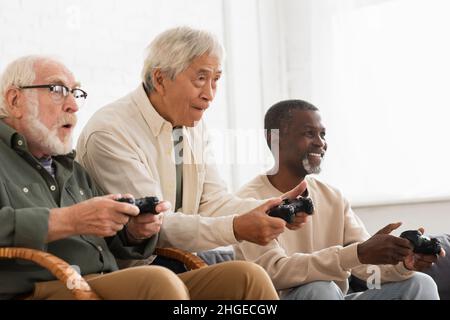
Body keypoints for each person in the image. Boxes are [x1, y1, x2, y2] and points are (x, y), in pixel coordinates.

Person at [0, 55, 280, 300]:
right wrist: (69, 220)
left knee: (246, 278)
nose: (73, 104)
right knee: (158, 282)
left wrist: (133, 231)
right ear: (15, 100)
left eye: (76, 93)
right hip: (44, 288)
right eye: (58, 90)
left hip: (102, 282)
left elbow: (111, 241)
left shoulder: (72, 169)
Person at [76, 26, 308, 260]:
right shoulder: (110, 131)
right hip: (135, 270)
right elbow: (157, 224)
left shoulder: (191, 126)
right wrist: (236, 227)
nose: (210, 94)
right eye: (200, 78)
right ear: (160, 79)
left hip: (181, 259)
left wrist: (273, 209)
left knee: (254, 271)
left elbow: (213, 202)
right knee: (247, 274)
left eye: (215, 80)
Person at [233, 99, 445, 300]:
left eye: (323, 134)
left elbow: (364, 267)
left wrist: (403, 264)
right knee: (320, 288)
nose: (320, 143)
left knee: (420, 283)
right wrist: (357, 253)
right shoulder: (248, 200)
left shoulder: (333, 197)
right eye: (309, 133)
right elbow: (274, 272)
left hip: (334, 296)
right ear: (275, 138)